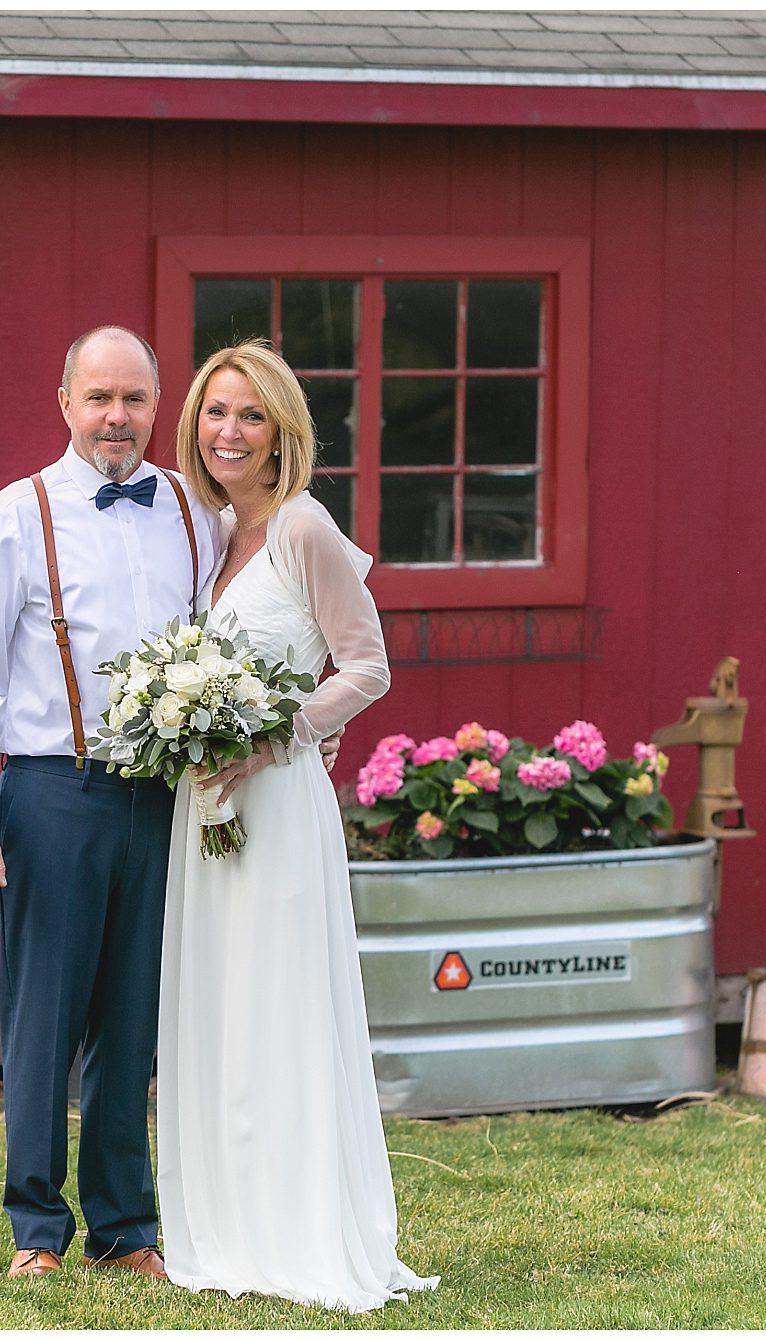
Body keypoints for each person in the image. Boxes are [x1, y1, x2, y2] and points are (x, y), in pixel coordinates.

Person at [156, 340, 440, 1312]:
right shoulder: (206, 529)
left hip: (274, 803)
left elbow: (367, 666)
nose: (227, 431)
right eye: (213, 412)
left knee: (276, 1002)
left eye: (248, 415)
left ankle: (296, 1224)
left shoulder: (302, 526)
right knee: (219, 1004)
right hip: (204, 805)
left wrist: (274, 734)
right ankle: (228, 1221)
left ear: (282, 433)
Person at [0, 326, 216, 1281]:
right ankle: (34, 1230)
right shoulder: (17, 516)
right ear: (66, 404)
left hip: (160, 796)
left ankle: (126, 1227)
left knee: (133, 1018)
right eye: (100, 398)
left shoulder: (190, 509)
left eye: (135, 399)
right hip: (53, 790)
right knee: (45, 1018)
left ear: (155, 405)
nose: (117, 418)